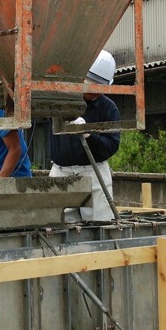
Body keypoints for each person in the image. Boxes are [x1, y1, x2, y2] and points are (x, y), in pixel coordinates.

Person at [48, 50, 121, 222]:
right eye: (92, 86)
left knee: (100, 225)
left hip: (94, 173)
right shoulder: (59, 99)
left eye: (100, 88)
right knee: (57, 226)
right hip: (61, 172)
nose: (95, 92)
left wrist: (89, 134)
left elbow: (111, 146)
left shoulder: (108, 109)